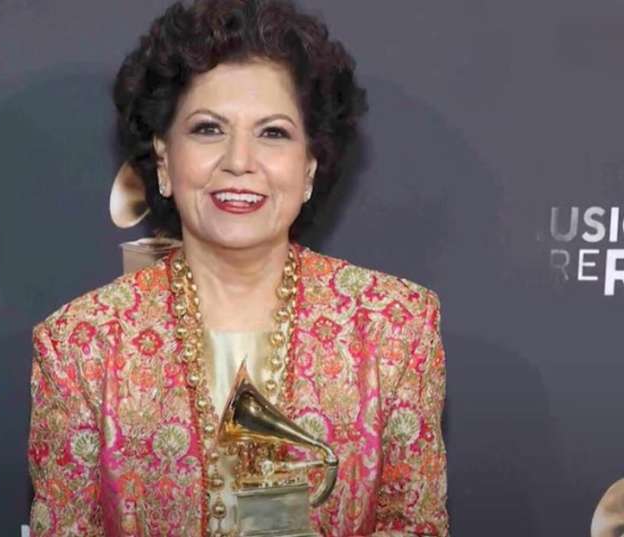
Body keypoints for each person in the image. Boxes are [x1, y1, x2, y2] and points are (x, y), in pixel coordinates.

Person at [27, 0, 449, 535]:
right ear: (164, 159)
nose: (239, 161)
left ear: (310, 166)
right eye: (208, 129)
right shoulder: (81, 346)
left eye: (273, 133)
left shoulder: (394, 328)